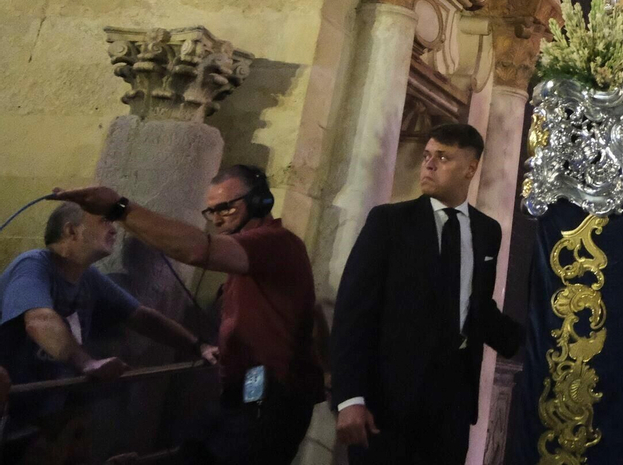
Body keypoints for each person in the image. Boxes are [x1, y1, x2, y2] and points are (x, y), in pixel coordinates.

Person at [53, 165, 325, 465]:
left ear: (261, 201)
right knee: (195, 447)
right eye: (211, 211)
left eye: (226, 208)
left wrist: (119, 208)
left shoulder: (275, 242)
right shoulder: (253, 255)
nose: (217, 219)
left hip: (270, 395)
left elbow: (197, 249)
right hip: (248, 390)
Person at [331, 123, 523, 465]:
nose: (429, 165)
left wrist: (534, 344)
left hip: (452, 404)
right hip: (388, 400)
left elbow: (476, 306)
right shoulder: (389, 222)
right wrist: (350, 397)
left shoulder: (486, 231)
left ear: (470, 168)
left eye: (443, 158)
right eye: (426, 156)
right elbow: (353, 311)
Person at [0, 204, 212, 426]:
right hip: (9, 404)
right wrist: (87, 363)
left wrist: (199, 346)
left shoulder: (88, 276)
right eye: (105, 221)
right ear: (71, 231)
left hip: (42, 409)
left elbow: (142, 317)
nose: (114, 229)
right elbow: (39, 320)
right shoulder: (33, 264)